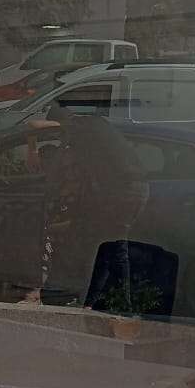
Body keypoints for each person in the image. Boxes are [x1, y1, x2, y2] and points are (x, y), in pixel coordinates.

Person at [32, 103, 149, 307]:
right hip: (130, 191)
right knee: (106, 246)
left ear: (61, 123)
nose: (61, 139)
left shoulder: (80, 125)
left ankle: (117, 303)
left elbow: (33, 125)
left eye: (59, 134)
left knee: (110, 246)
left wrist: (31, 150)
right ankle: (96, 301)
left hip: (122, 193)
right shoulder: (92, 129)